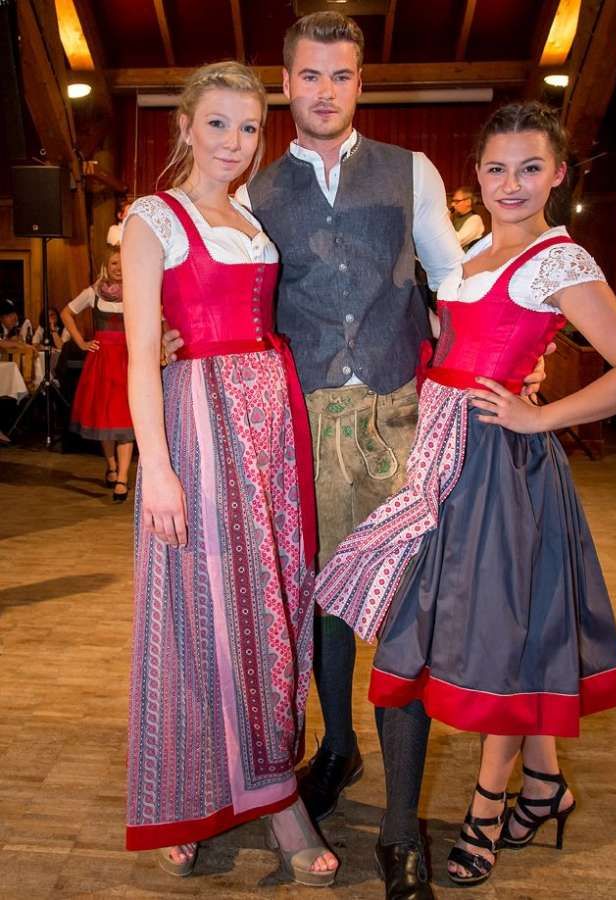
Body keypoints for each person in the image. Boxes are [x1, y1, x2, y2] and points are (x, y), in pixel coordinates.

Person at [161, 14, 548, 897]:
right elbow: (223, 293)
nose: (324, 91)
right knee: (323, 602)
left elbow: (454, 281)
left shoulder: (411, 171)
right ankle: (336, 747)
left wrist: (511, 355)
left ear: (359, 83)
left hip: (400, 417)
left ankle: (401, 827)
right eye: (309, 76)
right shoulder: (252, 191)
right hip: (297, 425)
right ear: (285, 84)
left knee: (404, 612)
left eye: (340, 75)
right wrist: (170, 342)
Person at [315, 101, 616, 889]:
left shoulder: (560, 260)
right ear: (477, 174)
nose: (511, 183)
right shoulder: (474, 251)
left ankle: (487, 808)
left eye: (529, 168)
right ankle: (544, 783)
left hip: (500, 462)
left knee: (500, 631)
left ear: (557, 174)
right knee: (486, 621)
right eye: (496, 168)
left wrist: (540, 416)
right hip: (441, 454)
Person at [121, 61, 338, 887]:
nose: (234, 142)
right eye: (217, 123)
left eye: (248, 127)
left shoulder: (247, 215)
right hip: (202, 424)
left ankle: (263, 776)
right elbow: (142, 352)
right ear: (184, 126)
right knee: (201, 605)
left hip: (267, 422)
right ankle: (205, 793)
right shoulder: (154, 217)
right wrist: (158, 470)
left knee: (269, 605)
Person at [61, 248, 134, 501]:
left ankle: (122, 478)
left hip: (127, 360)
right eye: (114, 263)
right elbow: (66, 313)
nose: (119, 268)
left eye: (123, 263)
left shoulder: (136, 290)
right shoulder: (93, 292)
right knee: (105, 417)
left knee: (126, 419)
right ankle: (112, 466)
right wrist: (81, 342)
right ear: (106, 265)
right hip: (102, 361)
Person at [450, 185, 485, 250]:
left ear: (468, 202)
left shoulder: (475, 220)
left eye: (457, 201)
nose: (452, 204)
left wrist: (445, 221)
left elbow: (456, 242)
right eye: (453, 201)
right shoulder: (456, 216)